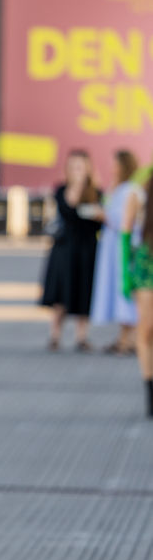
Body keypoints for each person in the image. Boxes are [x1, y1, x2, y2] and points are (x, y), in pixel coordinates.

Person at [42, 149, 103, 351]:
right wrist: (76, 185)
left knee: (84, 290)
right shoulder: (61, 190)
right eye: (73, 166)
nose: (77, 170)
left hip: (87, 248)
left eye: (80, 166)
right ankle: (55, 335)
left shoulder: (96, 192)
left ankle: (81, 336)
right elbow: (67, 210)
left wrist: (99, 215)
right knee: (61, 292)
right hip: (65, 248)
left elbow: (100, 223)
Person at [90, 150, 140, 354]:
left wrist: (104, 216)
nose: (111, 168)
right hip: (114, 246)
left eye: (115, 164)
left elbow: (126, 221)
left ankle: (131, 339)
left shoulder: (131, 190)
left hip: (124, 247)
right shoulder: (118, 188)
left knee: (125, 291)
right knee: (118, 291)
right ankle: (124, 337)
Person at [124, 172, 153, 416]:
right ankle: (149, 387)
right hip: (146, 264)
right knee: (146, 328)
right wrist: (125, 273)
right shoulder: (141, 192)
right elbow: (125, 233)